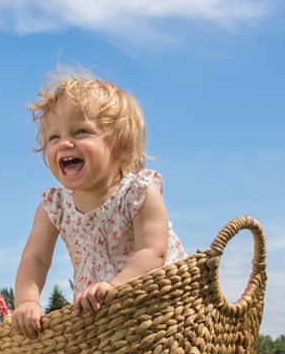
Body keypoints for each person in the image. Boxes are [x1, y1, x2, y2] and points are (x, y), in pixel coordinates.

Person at [12, 69, 187, 339]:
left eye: (81, 132)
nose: (65, 143)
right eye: (53, 137)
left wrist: (114, 287)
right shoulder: (55, 206)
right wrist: (27, 301)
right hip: (97, 309)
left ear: (120, 146)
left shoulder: (138, 193)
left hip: (159, 302)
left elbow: (153, 253)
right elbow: (35, 258)